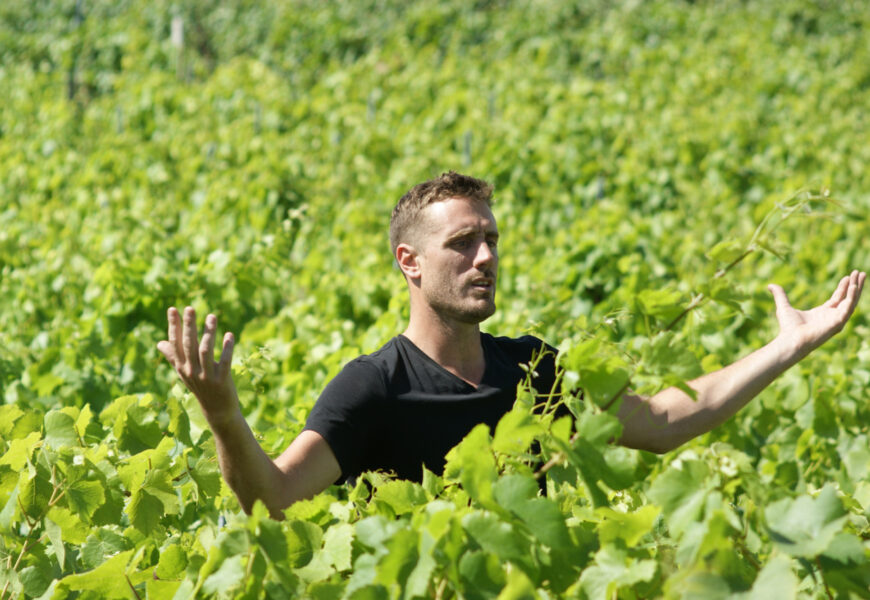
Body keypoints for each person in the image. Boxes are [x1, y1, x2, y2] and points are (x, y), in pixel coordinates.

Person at [157, 172, 866, 519]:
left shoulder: (535, 368)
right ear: (409, 262)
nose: (485, 257)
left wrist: (788, 347)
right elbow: (273, 497)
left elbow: (664, 423)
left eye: (491, 239)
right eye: (462, 243)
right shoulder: (373, 386)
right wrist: (223, 413)